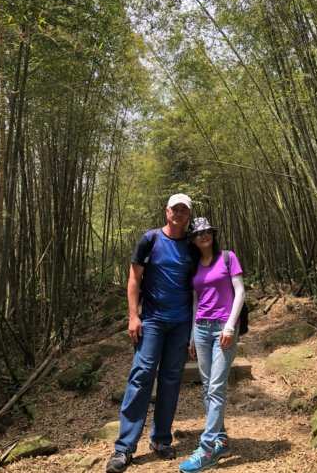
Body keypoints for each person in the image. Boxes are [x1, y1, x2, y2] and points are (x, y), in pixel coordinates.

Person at [106, 193, 194, 473]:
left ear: (189, 216)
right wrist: (133, 316)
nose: (179, 214)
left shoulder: (192, 245)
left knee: (170, 379)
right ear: (166, 211)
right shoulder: (151, 239)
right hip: (153, 320)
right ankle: (124, 448)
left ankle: (161, 439)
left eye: (184, 210)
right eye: (175, 209)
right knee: (142, 376)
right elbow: (134, 278)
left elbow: (200, 284)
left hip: (180, 323)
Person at [179, 217, 245, 473]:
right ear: (193, 240)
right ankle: (221, 438)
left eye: (207, 232)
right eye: (198, 233)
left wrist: (230, 326)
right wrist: (193, 336)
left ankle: (206, 449)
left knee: (216, 387)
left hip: (223, 328)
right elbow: (196, 300)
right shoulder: (194, 266)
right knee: (207, 386)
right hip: (202, 328)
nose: (204, 236)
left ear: (213, 235)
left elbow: (239, 292)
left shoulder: (228, 257)